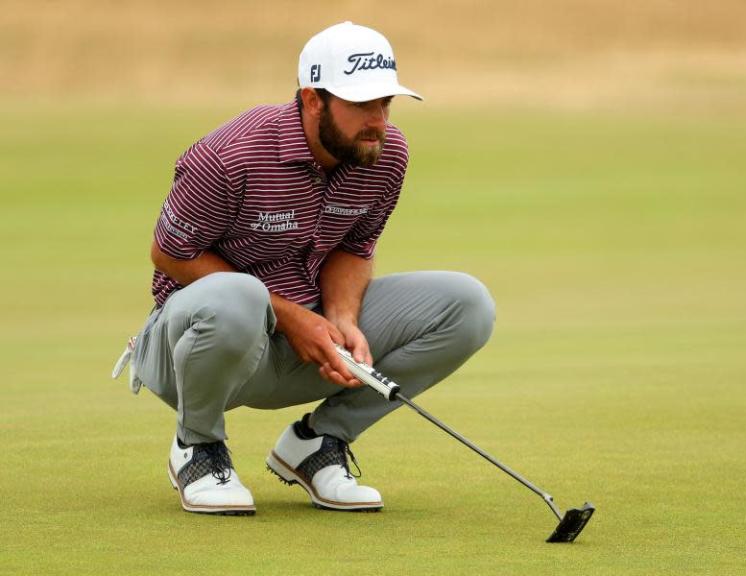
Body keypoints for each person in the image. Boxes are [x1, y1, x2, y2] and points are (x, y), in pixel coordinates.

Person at [113, 21, 495, 516]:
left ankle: (318, 445)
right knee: (239, 295)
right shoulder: (231, 155)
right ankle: (198, 447)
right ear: (313, 99)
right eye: (362, 105)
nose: (378, 121)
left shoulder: (384, 154)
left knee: (467, 305)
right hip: (198, 353)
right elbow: (170, 253)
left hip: (307, 347)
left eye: (385, 104)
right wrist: (294, 318)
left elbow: (355, 248)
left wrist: (341, 317)